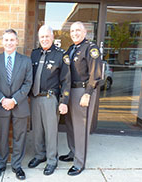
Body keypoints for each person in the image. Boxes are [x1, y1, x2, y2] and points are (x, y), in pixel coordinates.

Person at [59, 21, 102, 176]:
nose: (75, 33)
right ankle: (73, 152)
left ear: (85, 33)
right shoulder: (71, 49)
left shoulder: (91, 48)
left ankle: (79, 162)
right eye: (72, 31)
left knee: (81, 128)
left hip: (83, 90)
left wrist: (88, 93)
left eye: (78, 30)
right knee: (70, 124)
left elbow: (96, 73)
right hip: (70, 90)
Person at [0, 29, 32, 180]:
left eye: (12, 40)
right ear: (2, 42)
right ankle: (0, 164)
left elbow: (28, 84)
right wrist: (2, 100)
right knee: (2, 136)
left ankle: (17, 165)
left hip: (19, 106)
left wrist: (14, 100)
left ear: (17, 42)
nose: (9, 43)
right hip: (1, 105)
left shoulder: (26, 61)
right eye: (6, 40)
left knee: (19, 137)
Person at [27, 25, 71, 176]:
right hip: (34, 98)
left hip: (50, 98)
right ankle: (40, 155)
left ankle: (52, 160)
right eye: (42, 37)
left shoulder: (60, 55)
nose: (44, 39)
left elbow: (66, 80)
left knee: (51, 132)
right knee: (37, 130)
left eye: (47, 36)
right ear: (39, 39)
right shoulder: (34, 54)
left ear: (52, 37)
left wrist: (64, 101)